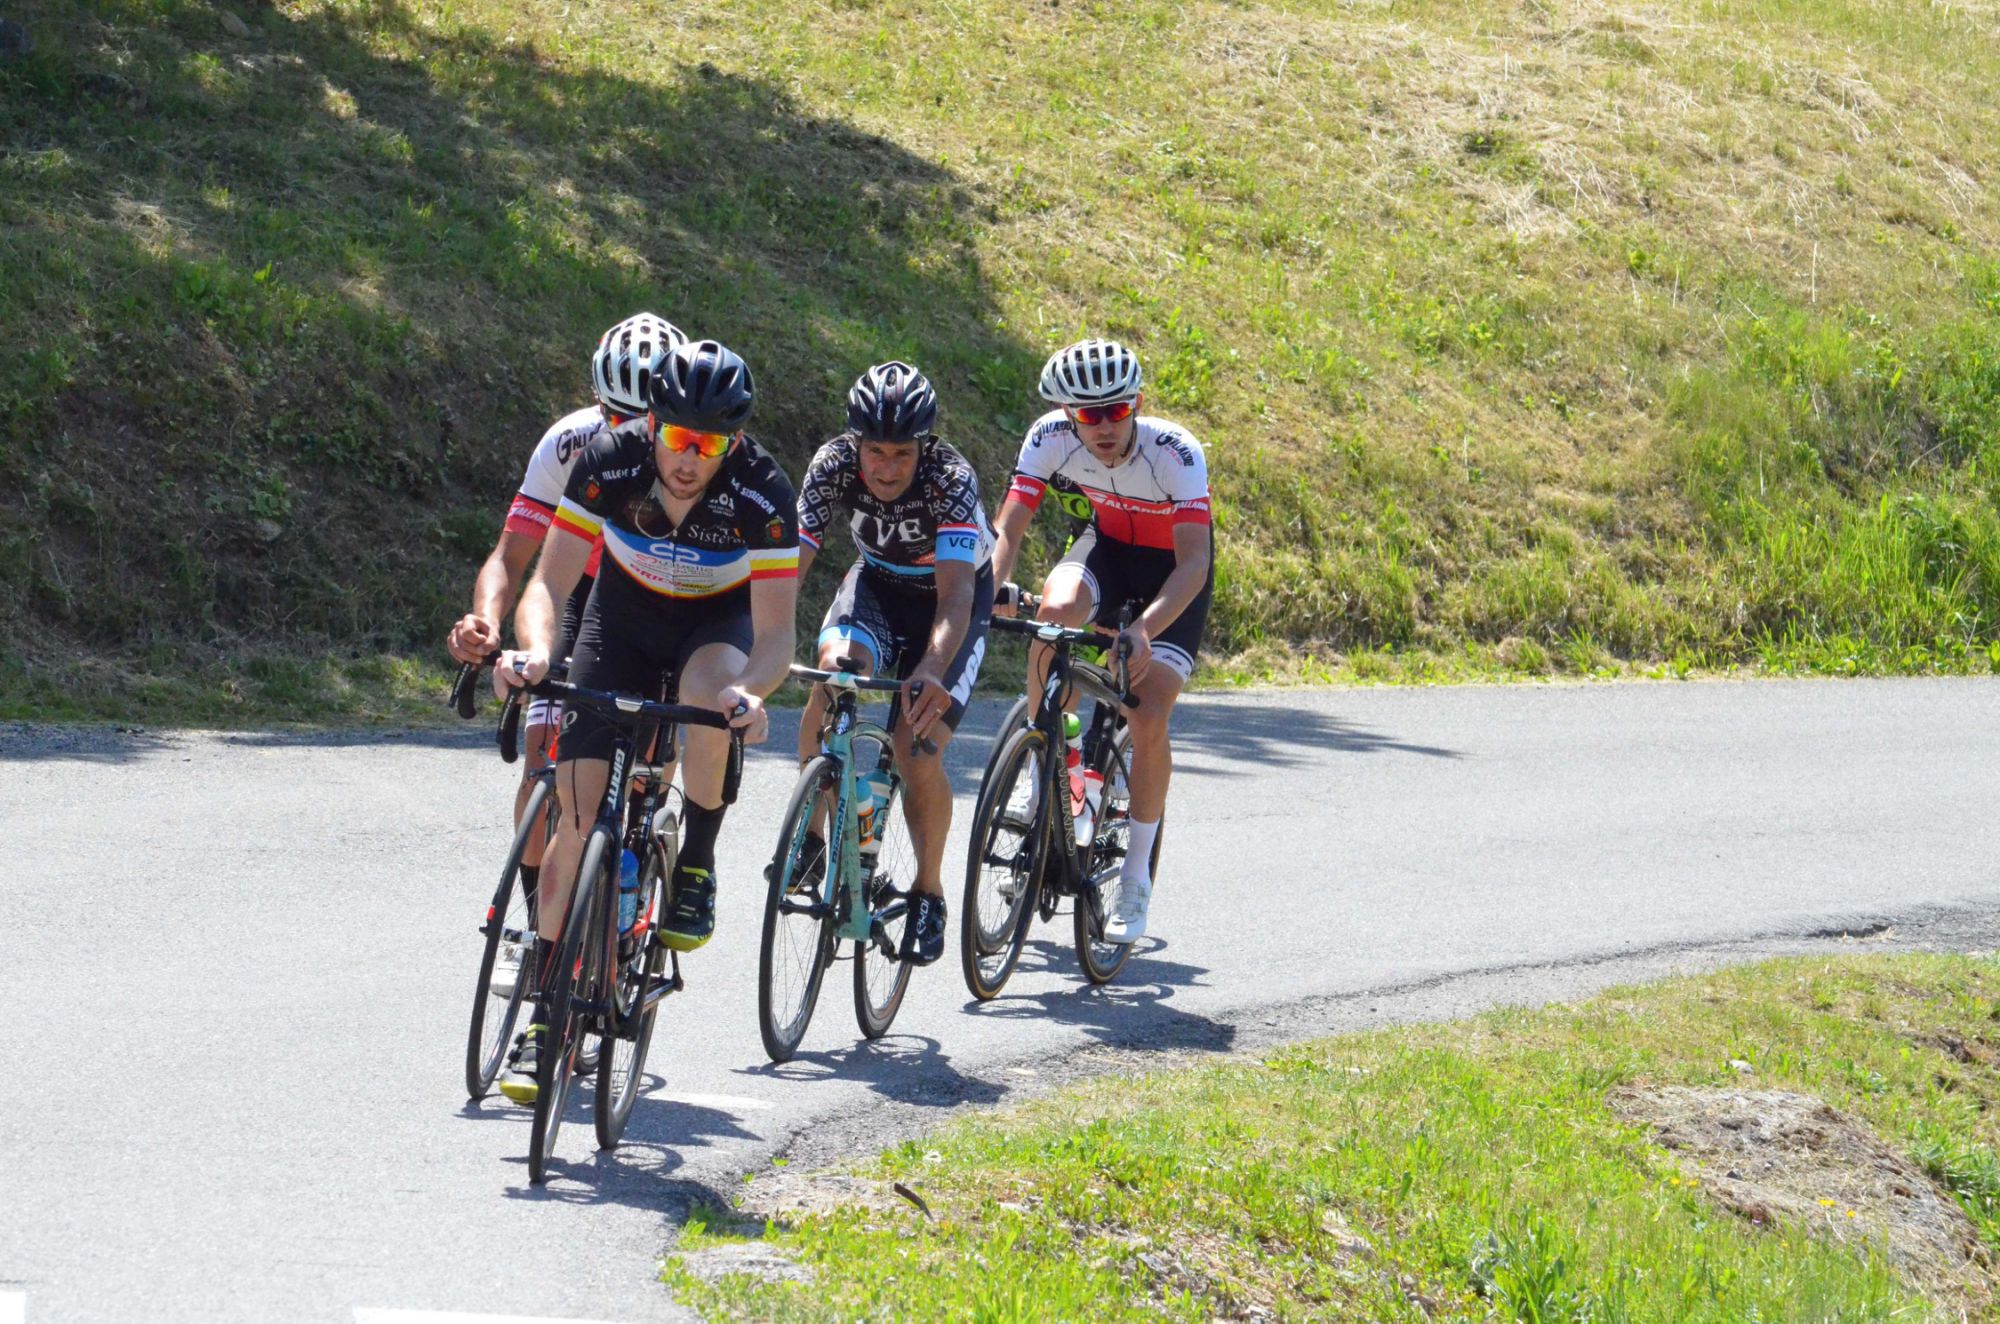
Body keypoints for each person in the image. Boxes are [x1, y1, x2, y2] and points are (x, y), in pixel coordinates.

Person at [493, 340, 799, 1100]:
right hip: (620, 620)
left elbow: (776, 636)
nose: (690, 459)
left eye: (711, 444)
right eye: (679, 437)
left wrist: (751, 692)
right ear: (653, 424)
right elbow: (549, 584)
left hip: (714, 625)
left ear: (733, 443)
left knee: (708, 696)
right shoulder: (610, 459)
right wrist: (537, 652)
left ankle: (697, 857)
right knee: (574, 822)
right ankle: (544, 1021)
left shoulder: (762, 490)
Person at [446, 311, 683, 992]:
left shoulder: (690, 460)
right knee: (542, 760)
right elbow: (510, 557)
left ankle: (642, 857)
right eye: (614, 414)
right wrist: (485, 621)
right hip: (577, 595)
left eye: (643, 419)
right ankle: (535, 934)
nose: (627, 432)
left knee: (647, 759)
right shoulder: (570, 442)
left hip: (659, 597)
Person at [988, 339, 1213, 945]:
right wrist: (991, 587)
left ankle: (1135, 875)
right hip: (1107, 550)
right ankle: (1044, 763)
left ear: (1136, 403)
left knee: (1148, 712)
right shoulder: (1047, 438)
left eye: (1116, 411)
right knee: (1054, 616)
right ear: (1068, 415)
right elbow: (1009, 527)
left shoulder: (1175, 451)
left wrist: (1143, 630)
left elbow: (1194, 563)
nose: (1105, 426)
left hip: (1171, 572)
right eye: (1089, 415)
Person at [794, 362, 994, 966]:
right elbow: (789, 565)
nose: (886, 468)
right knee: (834, 675)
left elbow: (956, 596)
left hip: (949, 600)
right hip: (878, 585)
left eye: (902, 454)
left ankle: (929, 891)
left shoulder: (949, 478)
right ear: (855, 442)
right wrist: (759, 639)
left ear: (923, 447)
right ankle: (813, 834)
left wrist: (931, 667)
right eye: (875, 452)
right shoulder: (832, 464)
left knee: (915, 749)